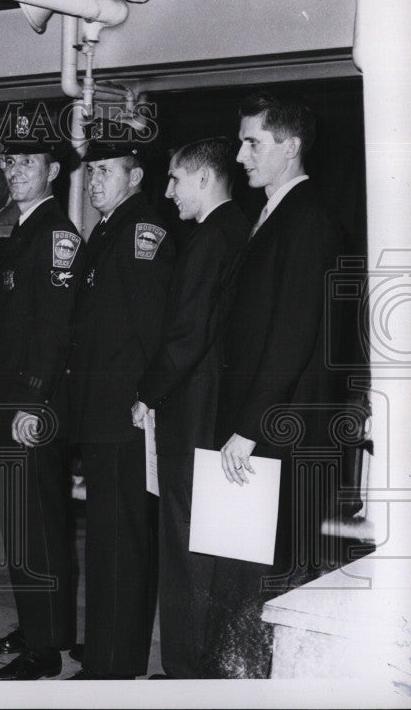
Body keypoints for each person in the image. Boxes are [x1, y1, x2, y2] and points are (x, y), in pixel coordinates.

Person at [203, 92, 344, 678]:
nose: (240, 155)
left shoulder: (306, 217)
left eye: (253, 142)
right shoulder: (278, 213)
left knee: (264, 575)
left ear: (289, 146)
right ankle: (233, 679)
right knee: (238, 566)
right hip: (262, 429)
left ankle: (249, 686)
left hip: (275, 434)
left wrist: (247, 427)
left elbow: (290, 333)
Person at [130, 137, 249, 678]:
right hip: (215, 409)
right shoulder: (237, 230)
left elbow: (185, 336)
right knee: (208, 548)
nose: (168, 191)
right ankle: (200, 668)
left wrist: (146, 392)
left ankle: (185, 674)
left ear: (204, 179)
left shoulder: (208, 239)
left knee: (186, 548)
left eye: (176, 179)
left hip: (191, 411)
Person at [63, 140, 175, 680]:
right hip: (101, 412)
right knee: (109, 540)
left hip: (123, 417)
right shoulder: (108, 230)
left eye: (106, 170)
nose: (94, 181)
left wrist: (143, 401)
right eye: (91, 172)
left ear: (135, 175)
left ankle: (112, 663)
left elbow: (152, 329)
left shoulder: (139, 233)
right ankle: (111, 643)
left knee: (118, 543)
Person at [0, 117, 83, 680]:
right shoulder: (20, 228)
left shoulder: (56, 234)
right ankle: (43, 626)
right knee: (25, 521)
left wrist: (34, 401)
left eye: (27, 162)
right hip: (11, 400)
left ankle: (42, 651)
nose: (15, 171)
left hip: (29, 407)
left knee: (34, 523)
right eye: (10, 162)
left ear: (53, 170)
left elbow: (57, 327)